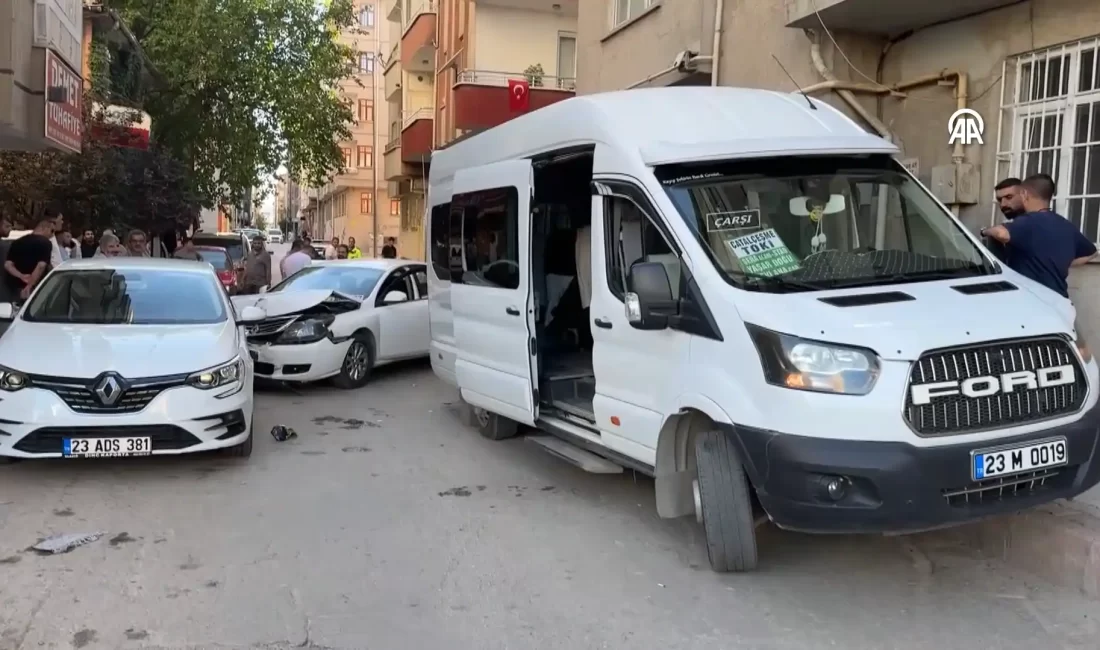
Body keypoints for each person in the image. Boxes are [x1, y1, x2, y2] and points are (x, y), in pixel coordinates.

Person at [981, 173, 1098, 299]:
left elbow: (1001, 234)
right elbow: (1092, 253)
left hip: (1032, 302)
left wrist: (985, 231)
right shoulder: (1065, 225)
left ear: (1024, 194)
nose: (1003, 204)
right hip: (1059, 301)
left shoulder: (1028, 222)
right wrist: (1062, 262)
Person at [4, 215, 56, 301]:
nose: (52, 235)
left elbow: (8, 265)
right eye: (52, 231)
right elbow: (41, 266)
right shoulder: (45, 243)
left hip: (15, 289)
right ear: (44, 228)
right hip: (36, 289)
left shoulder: (17, 242)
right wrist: (30, 285)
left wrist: (21, 276)